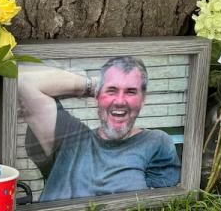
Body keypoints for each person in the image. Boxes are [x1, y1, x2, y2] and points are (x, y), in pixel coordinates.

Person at [18, 56, 181, 202]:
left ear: (142, 100)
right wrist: (92, 85)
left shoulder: (156, 142)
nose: (119, 101)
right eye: (111, 90)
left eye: (130, 92)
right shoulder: (69, 135)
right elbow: (21, 79)